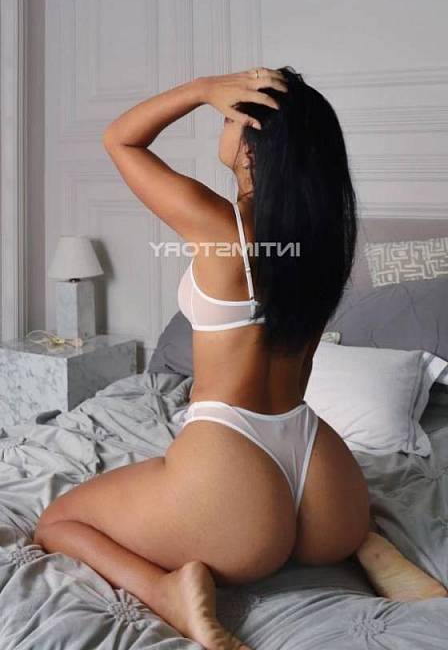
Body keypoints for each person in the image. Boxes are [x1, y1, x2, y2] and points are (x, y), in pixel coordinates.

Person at [33, 67, 447, 650]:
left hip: (233, 476)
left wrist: (202, 88)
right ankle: (368, 545)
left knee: (59, 521)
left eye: (228, 119)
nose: (220, 127)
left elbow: (120, 139)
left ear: (252, 146)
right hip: (326, 482)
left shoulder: (221, 227)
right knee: (332, 525)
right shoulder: (326, 240)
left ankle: (167, 593)